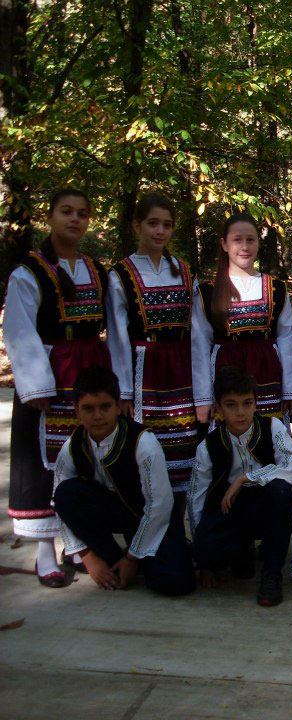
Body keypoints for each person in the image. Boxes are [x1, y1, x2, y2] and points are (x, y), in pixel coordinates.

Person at [3, 188, 111, 587]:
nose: (74, 219)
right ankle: (45, 550)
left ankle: (77, 542)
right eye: (66, 211)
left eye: (82, 213)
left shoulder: (96, 271)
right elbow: (19, 330)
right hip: (51, 372)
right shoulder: (29, 272)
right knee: (44, 459)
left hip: (89, 372)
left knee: (84, 456)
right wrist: (36, 386)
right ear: (49, 217)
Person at [51, 366, 195, 596]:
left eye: (105, 407)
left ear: (118, 406)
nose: (98, 416)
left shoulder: (143, 442)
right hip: (112, 513)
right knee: (66, 493)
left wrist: (132, 557)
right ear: (76, 410)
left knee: (175, 584)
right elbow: (58, 501)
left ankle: (146, 557)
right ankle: (110, 557)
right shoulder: (73, 446)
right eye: (88, 408)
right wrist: (88, 556)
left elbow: (159, 505)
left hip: (151, 517)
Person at [106, 193, 198, 494]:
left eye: (167, 225)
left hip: (182, 370)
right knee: (145, 450)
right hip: (144, 371)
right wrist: (123, 390)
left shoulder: (185, 271)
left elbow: (198, 331)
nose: (160, 231)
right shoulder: (121, 274)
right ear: (137, 225)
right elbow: (117, 336)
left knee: (184, 451)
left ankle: (178, 518)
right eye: (153, 223)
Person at [188, 366, 292, 606]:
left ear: (255, 403)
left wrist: (244, 478)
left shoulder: (273, 428)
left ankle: (272, 572)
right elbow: (196, 497)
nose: (240, 412)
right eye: (231, 405)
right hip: (230, 509)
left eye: (247, 403)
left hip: (265, 505)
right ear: (219, 408)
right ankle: (241, 549)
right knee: (208, 553)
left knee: (280, 492)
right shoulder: (208, 446)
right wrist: (204, 562)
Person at [192, 213, 292, 423]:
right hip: (226, 377)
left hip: (269, 377)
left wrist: (290, 391)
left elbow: (288, 339)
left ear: (259, 243)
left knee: (269, 433)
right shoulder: (208, 293)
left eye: (250, 240)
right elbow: (199, 345)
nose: (244, 247)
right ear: (224, 244)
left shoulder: (276, 289)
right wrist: (203, 398)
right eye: (237, 240)